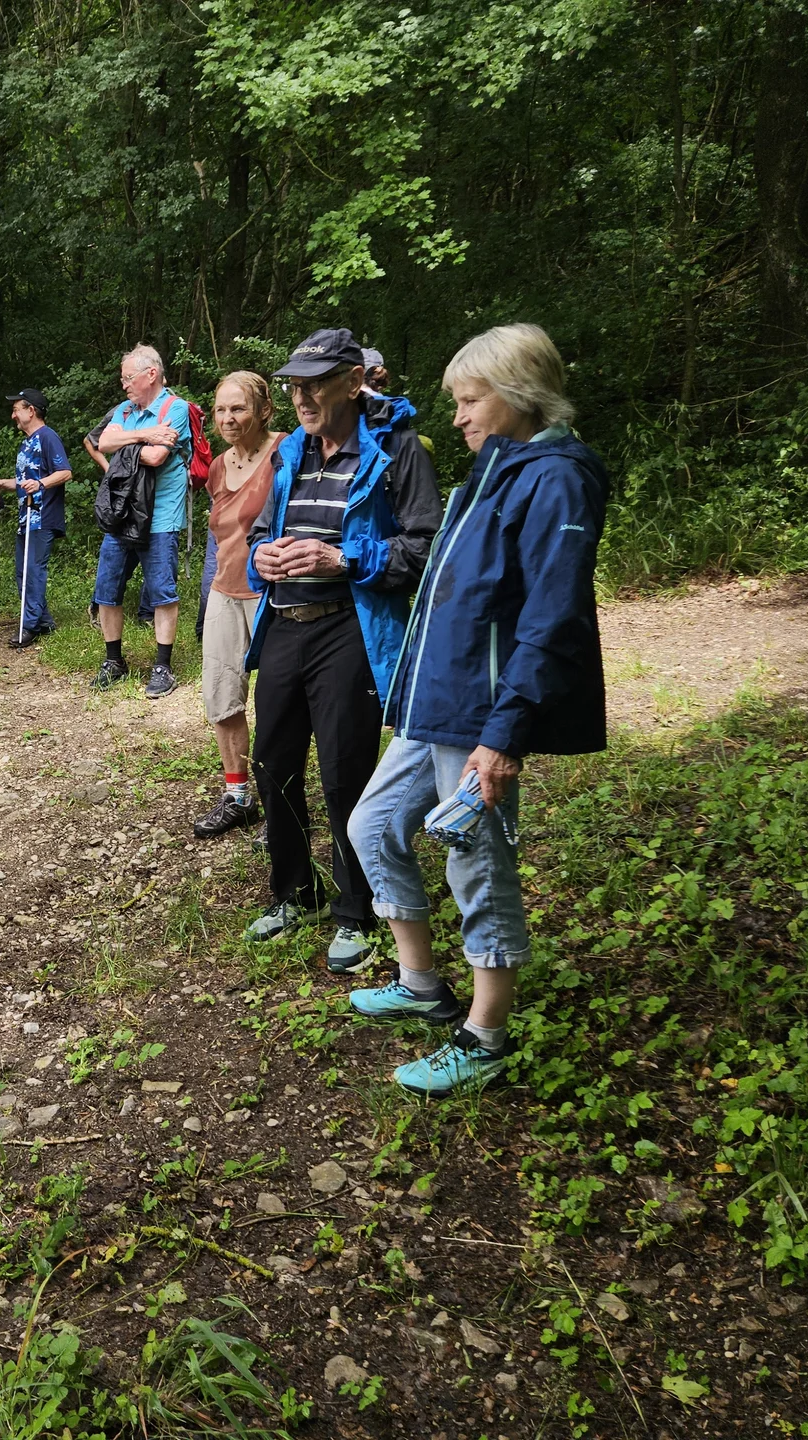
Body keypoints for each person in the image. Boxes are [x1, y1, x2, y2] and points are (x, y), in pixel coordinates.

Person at [346, 324, 606, 1095]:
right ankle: (422, 984)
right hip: (437, 699)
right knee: (372, 825)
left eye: (470, 399)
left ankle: (484, 1036)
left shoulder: (557, 478)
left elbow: (552, 615)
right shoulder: (493, 470)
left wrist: (505, 734)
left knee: (478, 860)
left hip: (482, 711)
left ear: (519, 392)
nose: (457, 416)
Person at [243, 328, 443, 974]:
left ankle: (355, 912)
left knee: (345, 771)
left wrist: (343, 556)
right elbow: (263, 531)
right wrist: (260, 556)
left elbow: (424, 549)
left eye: (315, 383)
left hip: (347, 627)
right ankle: (293, 892)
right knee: (272, 763)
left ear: (354, 383)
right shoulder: (291, 451)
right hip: (282, 621)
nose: (301, 396)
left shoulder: (397, 451)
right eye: (294, 385)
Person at [192, 372, 284, 840]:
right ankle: (238, 796)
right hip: (226, 592)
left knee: (279, 706)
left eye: (238, 409)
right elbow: (222, 536)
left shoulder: (288, 452)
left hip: (276, 595)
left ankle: (281, 804)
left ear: (263, 410)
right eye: (221, 410)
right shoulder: (217, 467)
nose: (227, 419)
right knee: (222, 696)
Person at [91, 345, 194, 698]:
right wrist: (144, 434)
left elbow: (155, 457)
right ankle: (113, 661)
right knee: (107, 588)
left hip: (161, 516)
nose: (124, 386)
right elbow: (103, 441)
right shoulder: (125, 409)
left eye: (128, 378)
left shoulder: (175, 408)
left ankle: (163, 666)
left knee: (162, 592)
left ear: (150, 374)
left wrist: (134, 443)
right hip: (123, 513)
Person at [0, 387, 70, 648]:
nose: (13, 415)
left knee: (33, 571)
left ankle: (30, 625)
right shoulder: (27, 443)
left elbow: (65, 472)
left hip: (43, 516)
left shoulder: (48, 437)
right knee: (22, 573)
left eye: (16, 409)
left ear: (31, 411)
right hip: (27, 517)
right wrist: (6, 483)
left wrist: (42, 484)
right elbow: (27, 482)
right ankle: (44, 622)